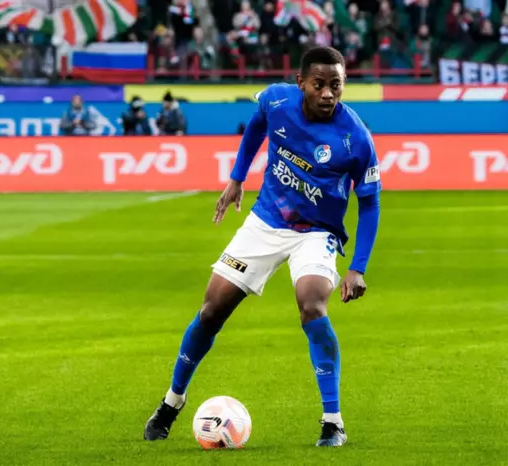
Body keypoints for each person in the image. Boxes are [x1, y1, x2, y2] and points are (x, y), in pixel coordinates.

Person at [143, 46, 381, 448]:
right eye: (319, 84)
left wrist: (357, 267)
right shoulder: (277, 100)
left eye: (336, 85)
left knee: (312, 304)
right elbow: (257, 124)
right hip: (266, 220)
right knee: (211, 309)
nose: (328, 93)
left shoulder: (355, 137)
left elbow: (370, 203)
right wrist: (237, 178)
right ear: (301, 82)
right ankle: (171, 403)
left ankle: (333, 422)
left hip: (317, 232)